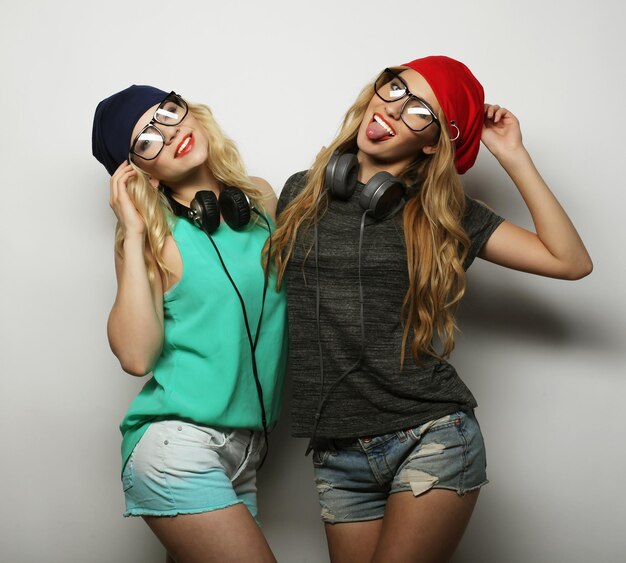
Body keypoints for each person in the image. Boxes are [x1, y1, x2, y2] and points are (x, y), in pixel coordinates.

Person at [271, 56, 592, 562]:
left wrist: (514, 156)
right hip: (336, 450)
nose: (394, 107)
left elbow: (569, 261)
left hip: (429, 437)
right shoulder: (301, 193)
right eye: (395, 88)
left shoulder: (444, 214)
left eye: (420, 109)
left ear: (432, 141)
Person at [92, 85, 287, 563]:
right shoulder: (153, 240)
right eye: (146, 140)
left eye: (167, 111)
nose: (169, 130)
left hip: (247, 453)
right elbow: (136, 357)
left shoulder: (258, 200)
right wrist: (134, 231)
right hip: (177, 447)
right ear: (138, 170)